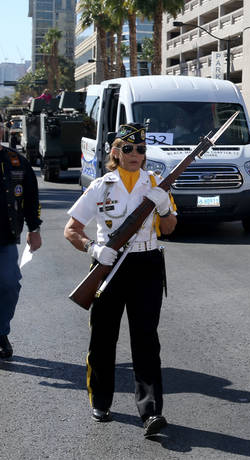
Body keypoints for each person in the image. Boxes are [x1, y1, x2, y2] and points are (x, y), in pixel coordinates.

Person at [63, 124, 177, 435]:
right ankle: (101, 401)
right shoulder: (101, 186)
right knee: (103, 338)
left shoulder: (156, 183)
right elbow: (71, 229)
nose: (135, 155)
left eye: (141, 150)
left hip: (147, 263)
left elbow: (168, 228)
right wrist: (93, 247)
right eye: (128, 149)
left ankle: (151, 411)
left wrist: (164, 206)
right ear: (115, 152)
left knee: (146, 339)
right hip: (109, 265)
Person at [0, 142, 41, 360]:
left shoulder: (16, 161)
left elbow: (31, 197)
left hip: (5, 238)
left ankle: (1, 332)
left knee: (9, 284)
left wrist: (34, 228)